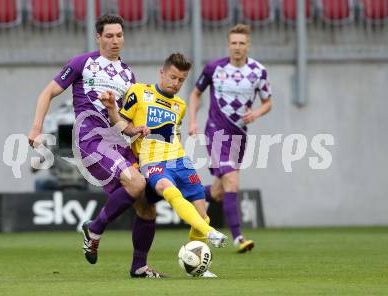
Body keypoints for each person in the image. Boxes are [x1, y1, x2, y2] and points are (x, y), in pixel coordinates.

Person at [28, 14, 164, 278]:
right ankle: (95, 228)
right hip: (91, 140)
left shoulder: (128, 75)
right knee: (135, 184)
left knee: (147, 206)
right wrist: (36, 128)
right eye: (110, 35)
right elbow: (47, 93)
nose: (115, 41)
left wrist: (137, 130)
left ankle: (139, 267)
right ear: (98, 37)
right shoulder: (83, 63)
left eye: (119, 35)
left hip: (117, 142)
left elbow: (123, 121)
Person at [100, 53, 228, 277]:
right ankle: (211, 233)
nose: (176, 83)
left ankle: (197, 267)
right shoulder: (139, 92)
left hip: (180, 160)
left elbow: (174, 134)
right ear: (162, 72)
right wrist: (112, 110)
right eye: (172, 77)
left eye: (181, 79)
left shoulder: (180, 105)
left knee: (202, 216)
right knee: (168, 191)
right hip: (153, 162)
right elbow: (120, 123)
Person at [188, 24, 272, 253]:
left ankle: (180, 193)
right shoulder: (214, 68)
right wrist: (193, 121)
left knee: (219, 191)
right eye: (233, 43)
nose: (237, 47)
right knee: (233, 181)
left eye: (241, 43)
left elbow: (268, 102)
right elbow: (196, 93)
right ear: (228, 44)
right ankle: (238, 238)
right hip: (216, 131)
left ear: (248, 45)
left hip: (240, 135)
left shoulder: (258, 71)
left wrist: (256, 113)